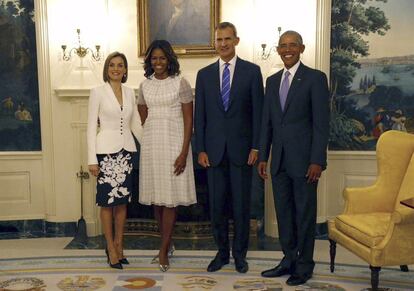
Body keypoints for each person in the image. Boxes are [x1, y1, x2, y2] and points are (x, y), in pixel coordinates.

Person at [258, 30, 330, 286]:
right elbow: (267, 122)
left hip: (305, 163)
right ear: (277, 50)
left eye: (292, 45)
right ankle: (288, 260)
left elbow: (322, 125)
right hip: (278, 163)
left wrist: (317, 161)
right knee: (285, 215)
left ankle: (305, 265)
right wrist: (263, 156)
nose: (287, 49)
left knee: (305, 216)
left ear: (301, 48)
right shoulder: (273, 80)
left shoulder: (315, 78)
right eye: (283, 46)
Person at [194, 22, 264, 273]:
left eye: (227, 39)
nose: (222, 44)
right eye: (218, 40)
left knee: (241, 207)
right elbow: (199, 116)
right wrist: (200, 148)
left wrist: (257, 147)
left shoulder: (252, 72)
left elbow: (259, 113)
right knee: (216, 206)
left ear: (236, 40)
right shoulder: (203, 75)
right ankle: (222, 253)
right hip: (212, 153)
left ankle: (240, 255)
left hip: (242, 152)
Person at [137, 39, 196, 272]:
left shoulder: (180, 83)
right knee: (156, 197)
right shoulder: (145, 85)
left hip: (174, 143)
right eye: (154, 58)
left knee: (169, 198)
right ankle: (166, 243)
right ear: (149, 61)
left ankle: (163, 250)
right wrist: (153, 127)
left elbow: (189, 120)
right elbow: (143, 113)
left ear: (169, 59)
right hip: (152, 144)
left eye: (162, 58)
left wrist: (183, 153)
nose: (158, 62)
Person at [87, 51, 142, 269]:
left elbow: (135, 124)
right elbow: (91, 127)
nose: (116, 69)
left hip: (125, 152)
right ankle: (110, 247)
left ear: (126, 70)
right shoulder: (97, 92)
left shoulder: (130, 93)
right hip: (105, 154)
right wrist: (92, 159)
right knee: (107, 203)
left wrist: (151, 147)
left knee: (122, 203)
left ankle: (120, 246)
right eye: (112, 65)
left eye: (120, 65)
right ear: (107, 69)